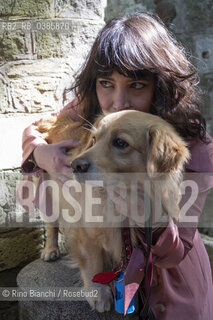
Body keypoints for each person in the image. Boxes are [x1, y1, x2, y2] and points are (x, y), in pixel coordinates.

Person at [21, 12, 213, 319]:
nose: (118, 101)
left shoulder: (195, 146)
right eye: (106, 83)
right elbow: (36, 128)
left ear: (160, 86)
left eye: (136, 85)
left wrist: (149, 218)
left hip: (170, 286)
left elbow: (177, 249)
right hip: (109, 266)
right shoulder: (91, 108)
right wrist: (41, 154)